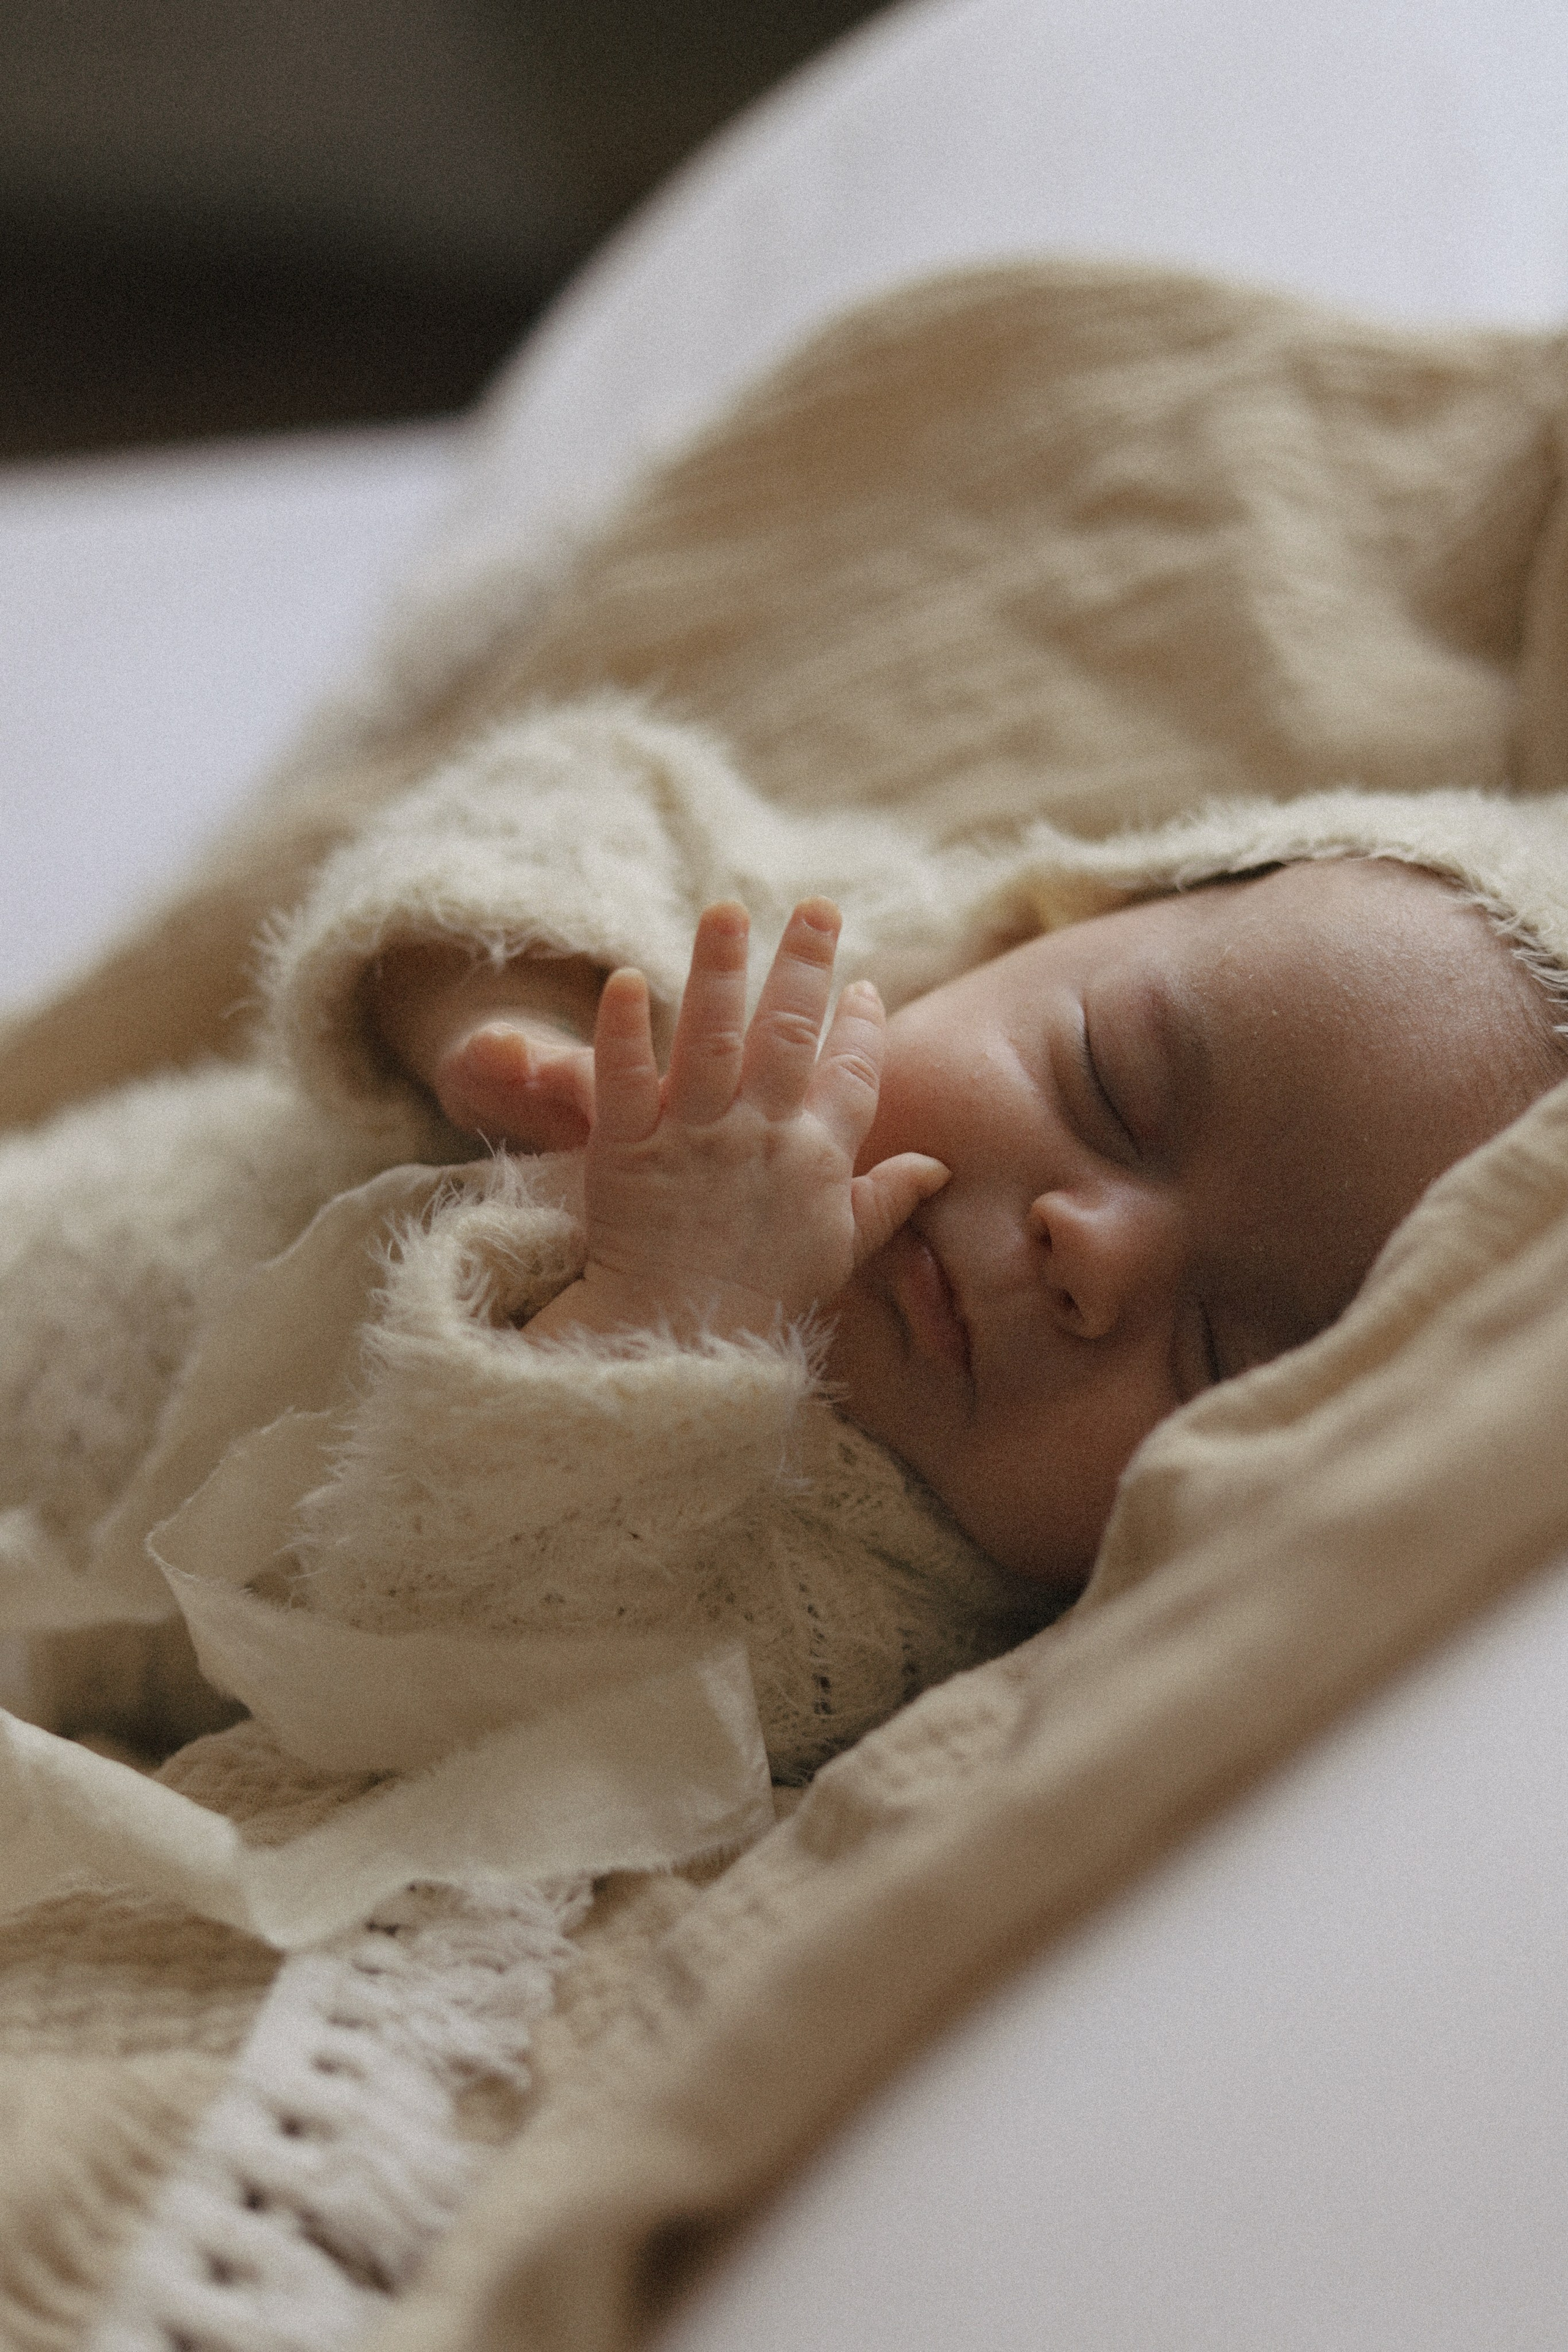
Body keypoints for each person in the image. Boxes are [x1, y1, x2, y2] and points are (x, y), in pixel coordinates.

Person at [4, 701, 1565, 1774]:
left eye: (1218, 1348)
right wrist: (511, 994)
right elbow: (579, 780)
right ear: (1044, 925)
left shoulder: (876, 1606)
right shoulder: (821, 959)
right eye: (1107, 1083)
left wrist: (676, 1320)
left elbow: (439, 1672)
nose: (1088, 1248)